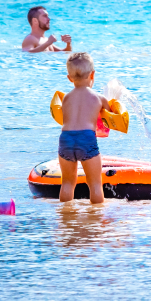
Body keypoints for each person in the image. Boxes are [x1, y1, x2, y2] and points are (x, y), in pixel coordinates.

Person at [57, 52, 108, 204]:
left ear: (69, 78)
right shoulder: (98, 98)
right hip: (86, 139)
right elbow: (110, 117)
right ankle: (97, 217)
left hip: (65, 139)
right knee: (95, 184)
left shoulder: (66, 98)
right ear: (92, 75)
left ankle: (66, 216)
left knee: (67, 183)